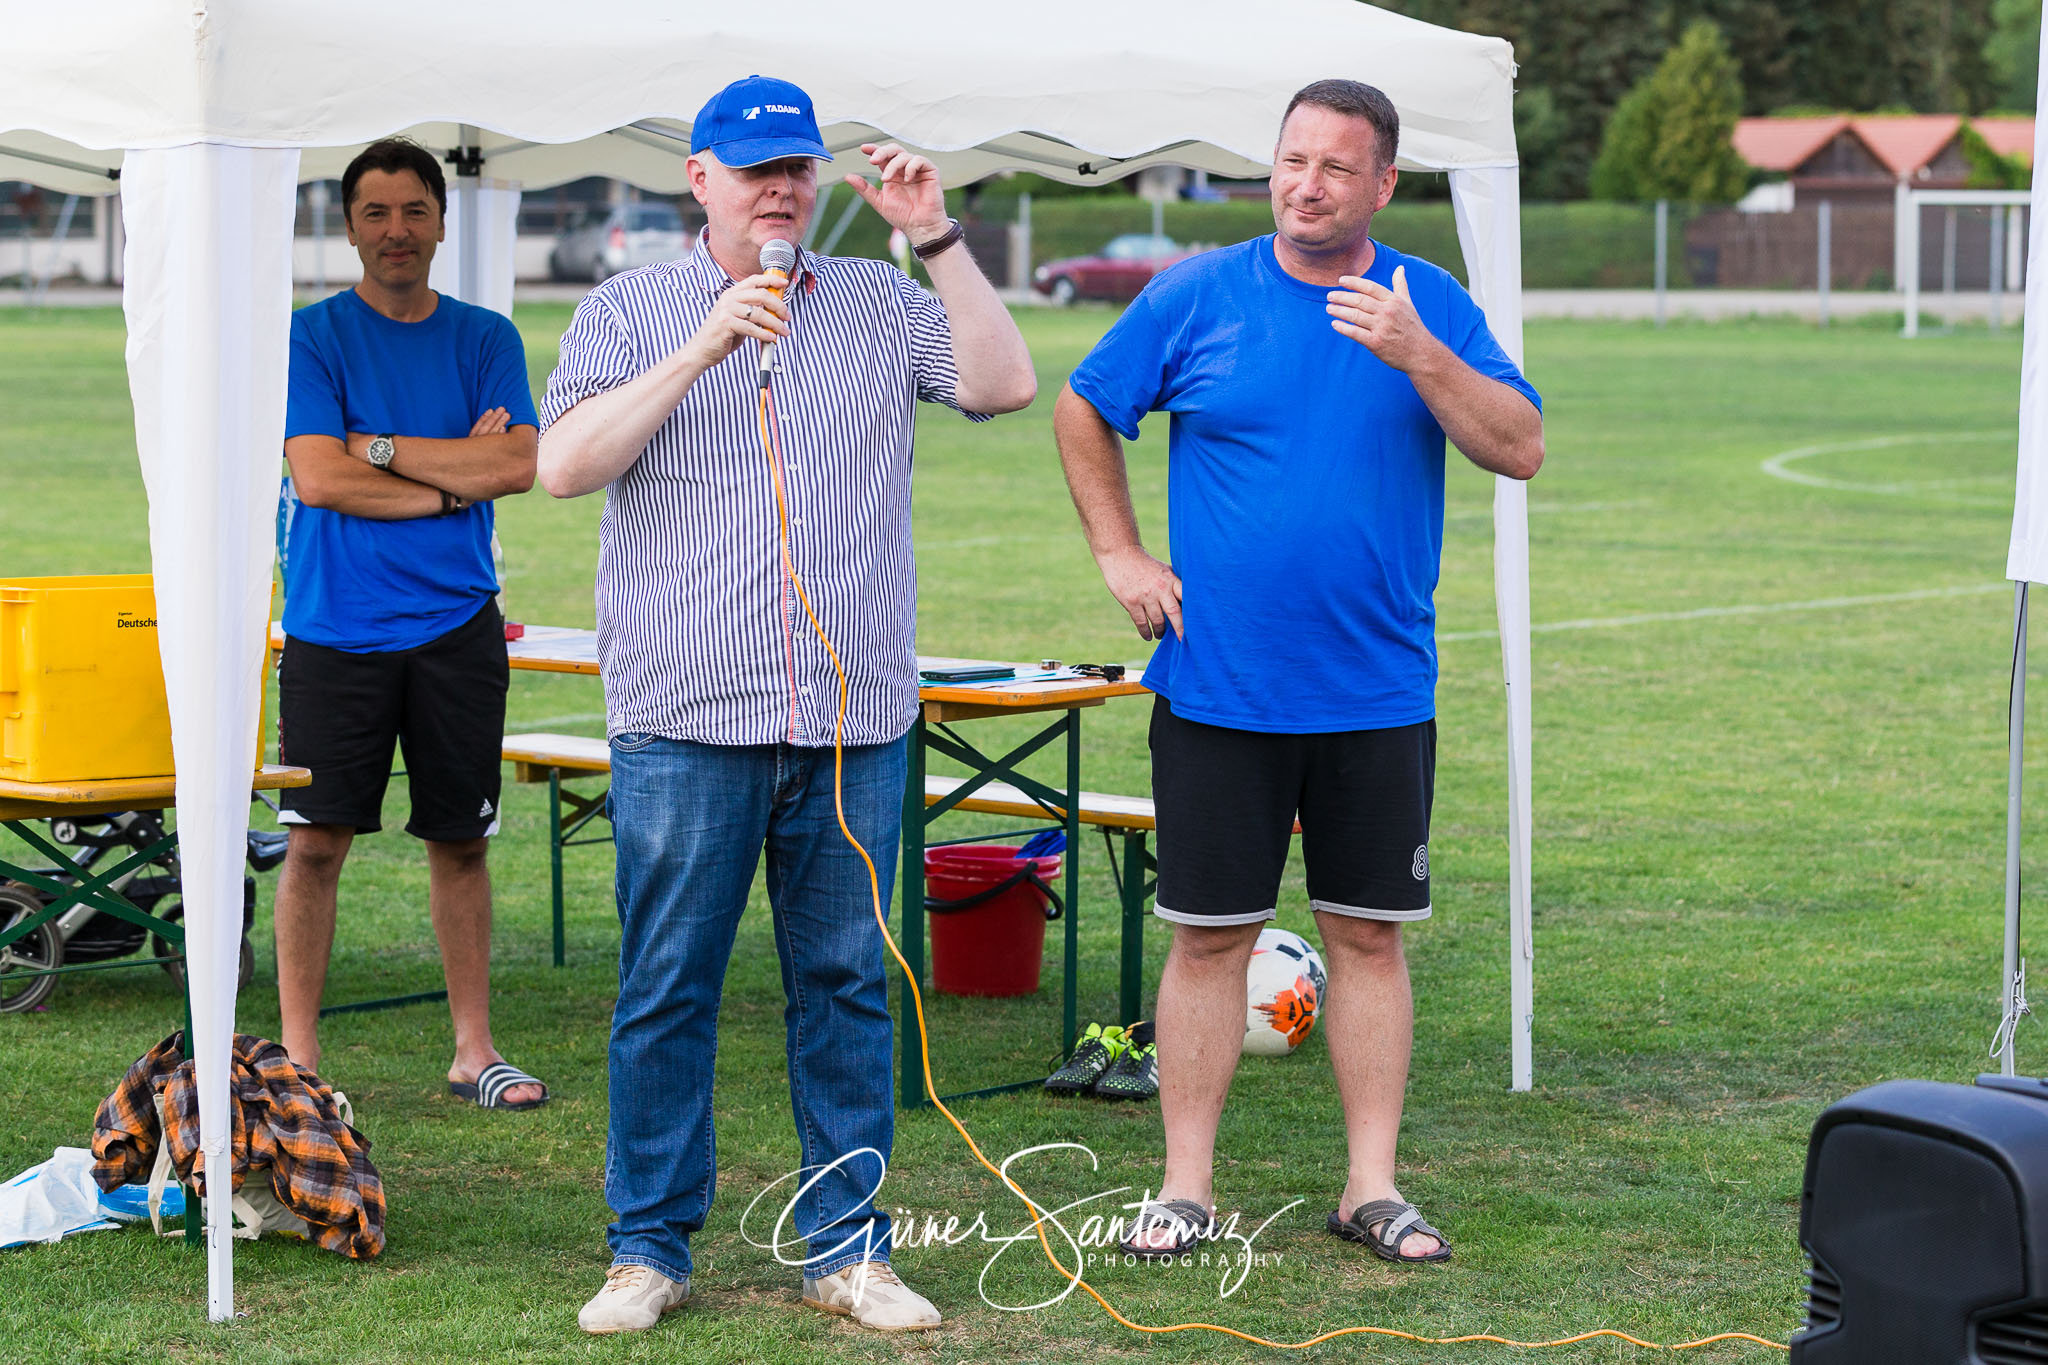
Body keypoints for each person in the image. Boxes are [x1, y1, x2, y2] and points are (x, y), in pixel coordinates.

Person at [535, 75, 1034, 1334]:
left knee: (846, 983)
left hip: (850, 716)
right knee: (667, 985)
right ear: (696, 178)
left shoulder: (876, 296)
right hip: (686, 711)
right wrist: (702, 342)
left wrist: (935, 234)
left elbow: (1002, 386)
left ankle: (847, 1251)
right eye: (754, 169)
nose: (780, 189)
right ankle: (646, 1249)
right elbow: (562, 466)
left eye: (797, 169)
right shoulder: (629, 306)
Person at [1054, 79, 1543, 1266]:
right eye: (1290, 160)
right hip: (1220, 685)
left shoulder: (1427, 303)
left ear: (1381, 184)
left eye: (1334, 166)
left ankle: (1369, 1189)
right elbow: (1081, 409)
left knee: (1367, 937)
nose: (1304, 183)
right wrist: (1120, 553)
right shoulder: (1199, 293)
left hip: (1375, 692)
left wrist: (1421, 354)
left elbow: (1518, 447)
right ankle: (1183, 1188)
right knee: (1209, 938)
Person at [274, 137, 546, 1113]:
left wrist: (379, 451)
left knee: (461, 843)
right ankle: (297, 1060)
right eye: (376, 213)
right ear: (350, 227)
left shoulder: (484, 338)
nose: (396, 230)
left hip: (454, 629)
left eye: (413, 212)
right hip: (333, 629)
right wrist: (445, 484)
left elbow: (516, 467)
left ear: (440, 222)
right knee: (314, 845)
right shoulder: (312, 336)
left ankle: (475, 1050)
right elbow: (318, 478)